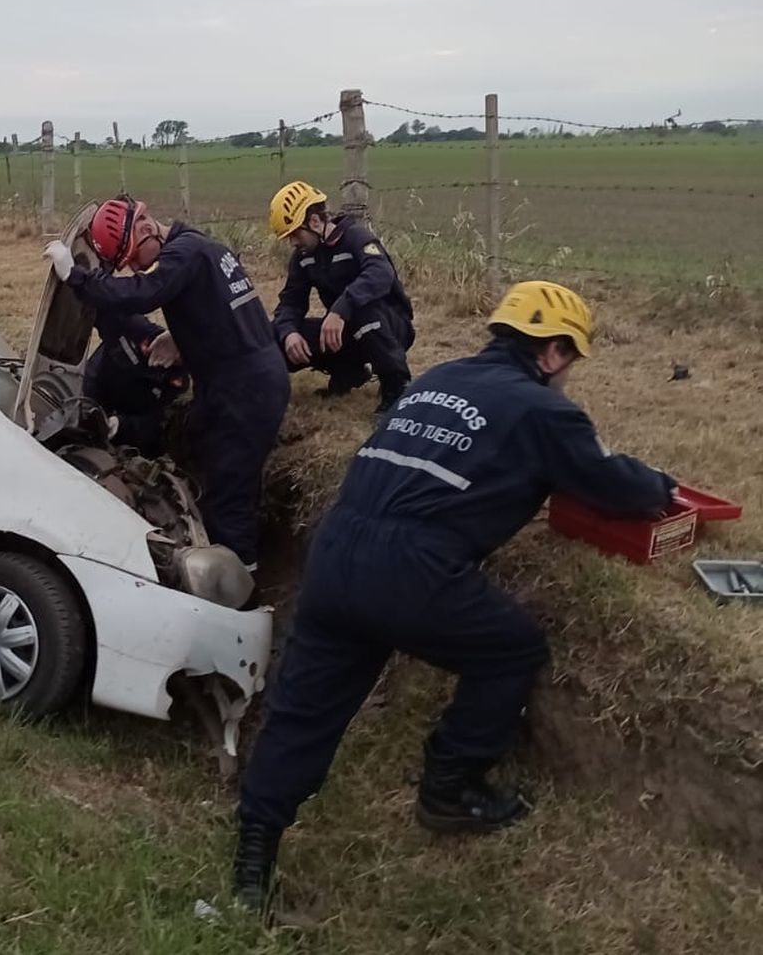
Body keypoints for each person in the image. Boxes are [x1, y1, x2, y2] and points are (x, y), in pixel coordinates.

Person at [231, 281, 676, 914]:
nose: (568, 375)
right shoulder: (545, 411)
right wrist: (663, 486)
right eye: (570, 360)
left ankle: (253, 859)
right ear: (551, 354)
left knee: (305, 712)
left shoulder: (441, 377)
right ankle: (450, 785)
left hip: (334, 549)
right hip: (412, 565)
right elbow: (611, 485)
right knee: (512, 650)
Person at [43, 196, 290, 571]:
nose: (138, 267)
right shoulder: (202, 248)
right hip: (242, 379)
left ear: (145, 230)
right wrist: (180, 339)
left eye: (134, 259)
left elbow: (142, 294)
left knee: (228, 500)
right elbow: (219, 312)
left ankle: (239, 588)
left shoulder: (185, 253)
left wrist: (75, 276)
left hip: (245, 389)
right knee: (210, 466)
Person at [269, 180, 416, 412]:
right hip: (346, 330)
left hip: (389, 327)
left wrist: (340, 309)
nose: (292, 242)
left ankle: (396, 388)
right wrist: (289, 333)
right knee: (273, 334)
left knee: (364, 313)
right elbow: (290, 302)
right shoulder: (303, 256)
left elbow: (380, 273)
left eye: (295, 234)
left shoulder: (356, 238)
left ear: (315, 222)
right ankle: (349, 372)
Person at [82, 310, 188, 458]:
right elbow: (94, 309)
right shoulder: (133, 328)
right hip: (83, 398)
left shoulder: (177, 383)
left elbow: (155, 424)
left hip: (115, 436)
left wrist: (121, 425)